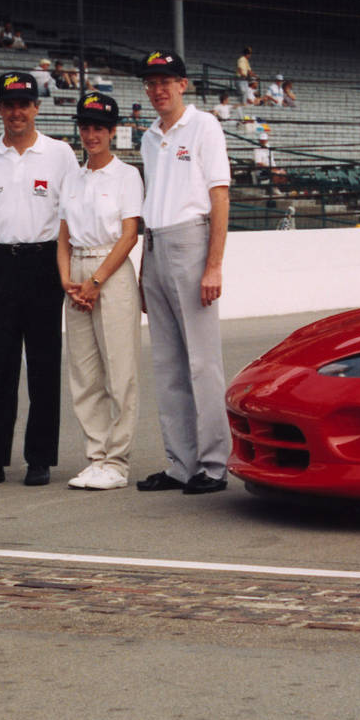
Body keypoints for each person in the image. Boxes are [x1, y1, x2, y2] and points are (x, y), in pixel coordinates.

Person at [0, 71, 77, 488]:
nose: (16, 112)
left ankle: (40, 458)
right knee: (0, 366)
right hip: (2, 265)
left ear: (36, 108)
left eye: (23, 104)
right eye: (9, 105)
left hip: (45, 263)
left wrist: (68, 272)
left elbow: (72, 217)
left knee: (44, 364)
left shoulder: (60, 155)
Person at [134, 50, 233, 495]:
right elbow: (151, 203)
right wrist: (142, 270)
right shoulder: (149, 137)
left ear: (183, 84)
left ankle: (213, 464)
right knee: (167, 364)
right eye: (152, 82)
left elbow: (219, 197)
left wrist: (213, 264)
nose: (158, 89)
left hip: (191, 242)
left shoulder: (204, 126)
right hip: (154, 246)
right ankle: (180, 462)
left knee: (201, 362)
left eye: (166, 81)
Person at [57, 92, 144, 491]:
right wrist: (67, 279)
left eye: (99, 128)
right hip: (76, 270)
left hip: (111, 270)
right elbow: (62, 235)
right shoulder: (72, 177)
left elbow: (129, 235)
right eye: (86, 127)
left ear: (112, 132)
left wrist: (95, 282)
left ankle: (117, 461)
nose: (91, 135)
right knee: (84, 373)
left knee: (119, 370)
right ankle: (96, 456)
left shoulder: (127, 175)